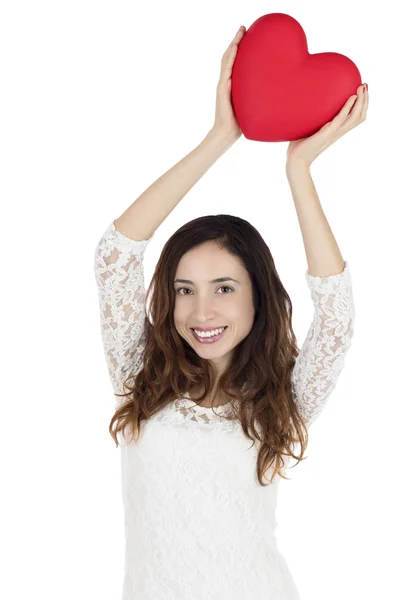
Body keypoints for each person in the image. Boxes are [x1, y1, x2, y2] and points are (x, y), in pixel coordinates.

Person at [94, 25, 368, 600]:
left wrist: (299, 172)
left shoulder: (281, 401)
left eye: (223, 288)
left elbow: (336, 320)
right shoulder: (137, 377)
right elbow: (116, 256)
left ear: (256, 297)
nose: (201, 310)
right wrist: (223, 136)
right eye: (184, 289)